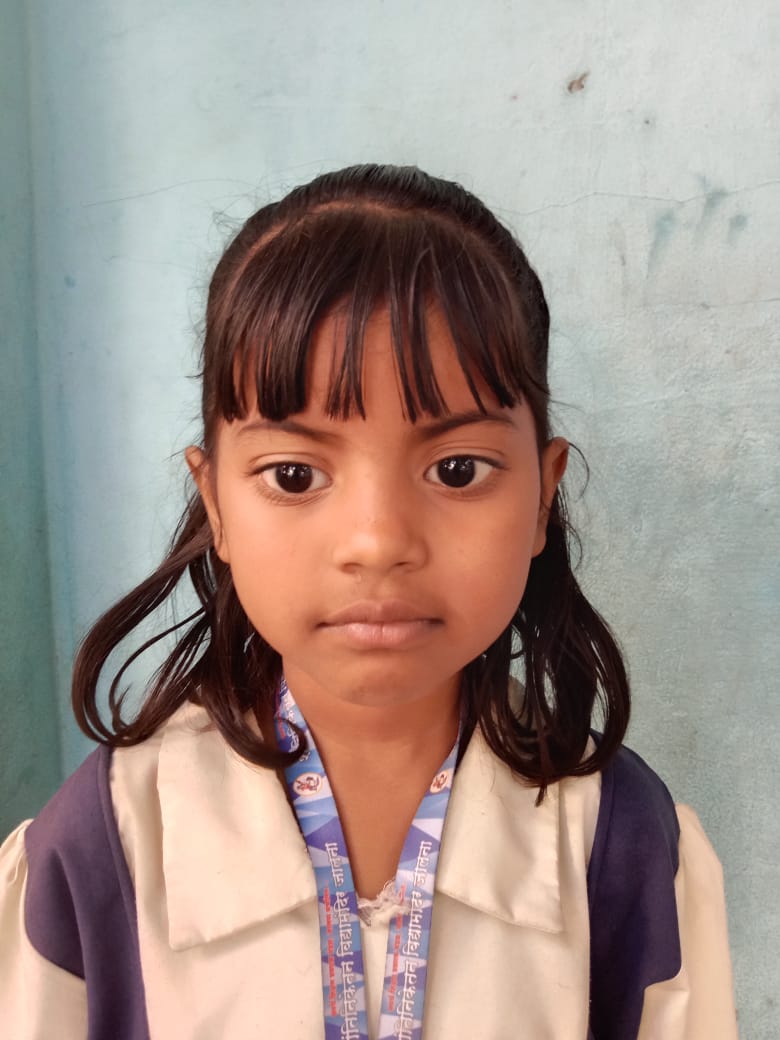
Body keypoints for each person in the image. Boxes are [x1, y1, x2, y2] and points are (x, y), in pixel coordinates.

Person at [0, 165, 738, 1039]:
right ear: (216, 505)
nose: (378, 540)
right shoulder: (105, 847)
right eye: (294, 475)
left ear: (543, 496)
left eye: (456, 470)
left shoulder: (622, 847)